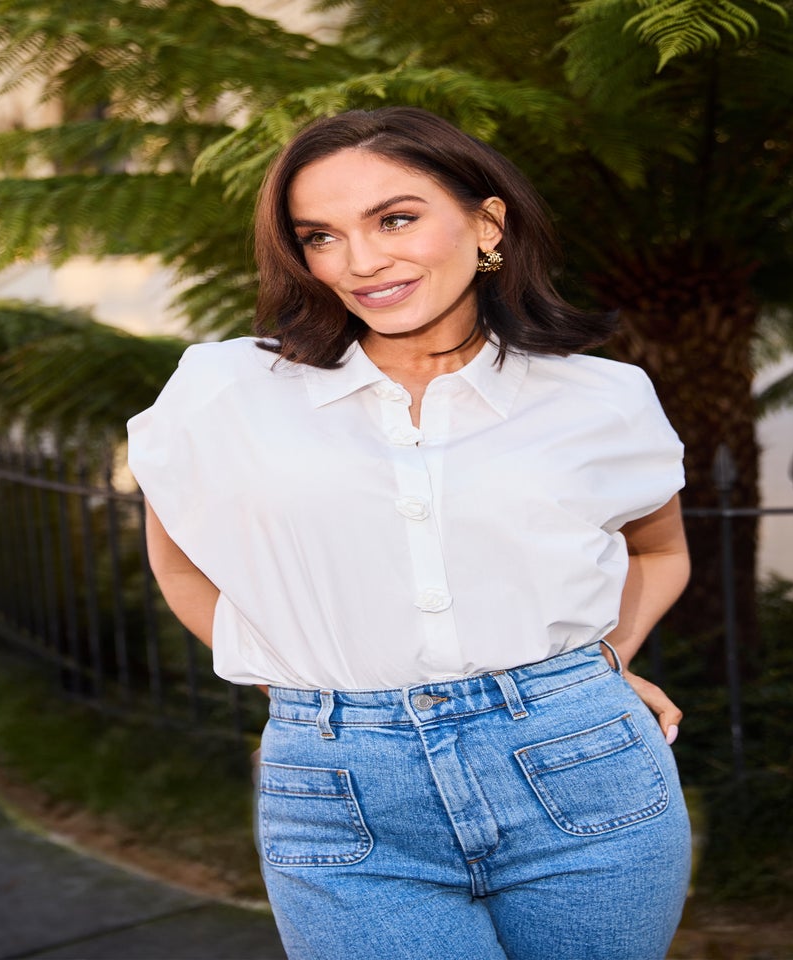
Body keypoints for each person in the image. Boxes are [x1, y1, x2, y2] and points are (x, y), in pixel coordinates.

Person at [127, 107, 692, 960]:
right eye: (320, 235)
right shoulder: (225, 388)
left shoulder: (600, 398)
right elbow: (178, 561)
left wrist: (600, 665)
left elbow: (660, 551)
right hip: (336, 791)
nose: (360, 262)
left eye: (395, 219)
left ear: (486, 222)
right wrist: (309, 693)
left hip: (582, 771)